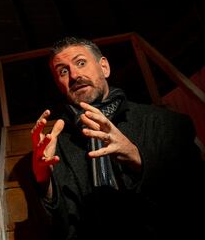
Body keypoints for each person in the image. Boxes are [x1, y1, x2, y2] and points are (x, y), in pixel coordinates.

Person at [30, 36, 205, 239]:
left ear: (104, 67)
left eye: (80, 62)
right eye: (63, 71)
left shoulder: (165, 123)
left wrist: (137, 157)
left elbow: (192, 194)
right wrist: (44, 182)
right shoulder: (57, 145)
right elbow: (61, 228)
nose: (74, 75)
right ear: (59, 84)